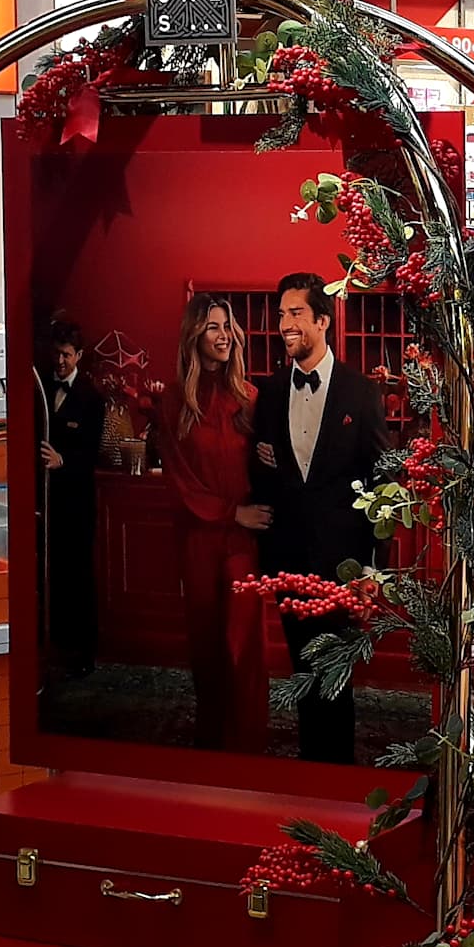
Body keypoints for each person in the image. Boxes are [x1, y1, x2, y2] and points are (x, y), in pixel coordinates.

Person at [250, 272, 390, 763]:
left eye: (296, 313)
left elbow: (382, 484)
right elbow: (259, 473)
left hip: (342, 564)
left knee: (335, 678)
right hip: (289, 561)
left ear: (323, 321)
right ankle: (312, 773)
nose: (285, 324)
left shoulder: (360, 392)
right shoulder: (268, 393)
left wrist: (373, 569)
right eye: (281, 314)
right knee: (303, 675)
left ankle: (338, 776)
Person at [155, 295, 273, 751]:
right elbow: (179, 479)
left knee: (244, 645)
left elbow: (264, 468)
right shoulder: (173, 403)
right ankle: (212, 743)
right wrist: (229, 512)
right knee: (205, 643)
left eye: (227, 326)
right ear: (194, 335)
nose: (224, 336)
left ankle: (248, 744)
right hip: (200, 537)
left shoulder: (250, 398)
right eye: (213, 327)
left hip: (242, 541)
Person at [37, 319, 106, 677]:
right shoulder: (40, 389)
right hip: (47, 502)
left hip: (77, 503)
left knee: (78, 577)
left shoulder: (92, 398)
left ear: (79, 355)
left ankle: (83, 654)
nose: (60, 361)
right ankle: (53, 648)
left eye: (66, 354)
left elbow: (93, 453)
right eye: (56, 354)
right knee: (52, 575)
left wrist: (63, 460)